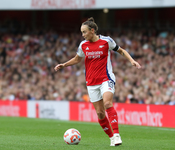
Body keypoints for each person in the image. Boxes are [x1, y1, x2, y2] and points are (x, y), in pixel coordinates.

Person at [54, 17, 141, 146]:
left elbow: (121, 50)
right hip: (91, 83)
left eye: (84, 32)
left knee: (107, 103)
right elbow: (78, 59)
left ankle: (117, 135)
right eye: (82, 32)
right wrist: (64, 64)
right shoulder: (83, 45)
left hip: (106, 78)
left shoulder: (106, 41)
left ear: (92, 30)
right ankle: (111, 137)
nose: (82, 35)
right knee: (100, 113)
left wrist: (132, 60)